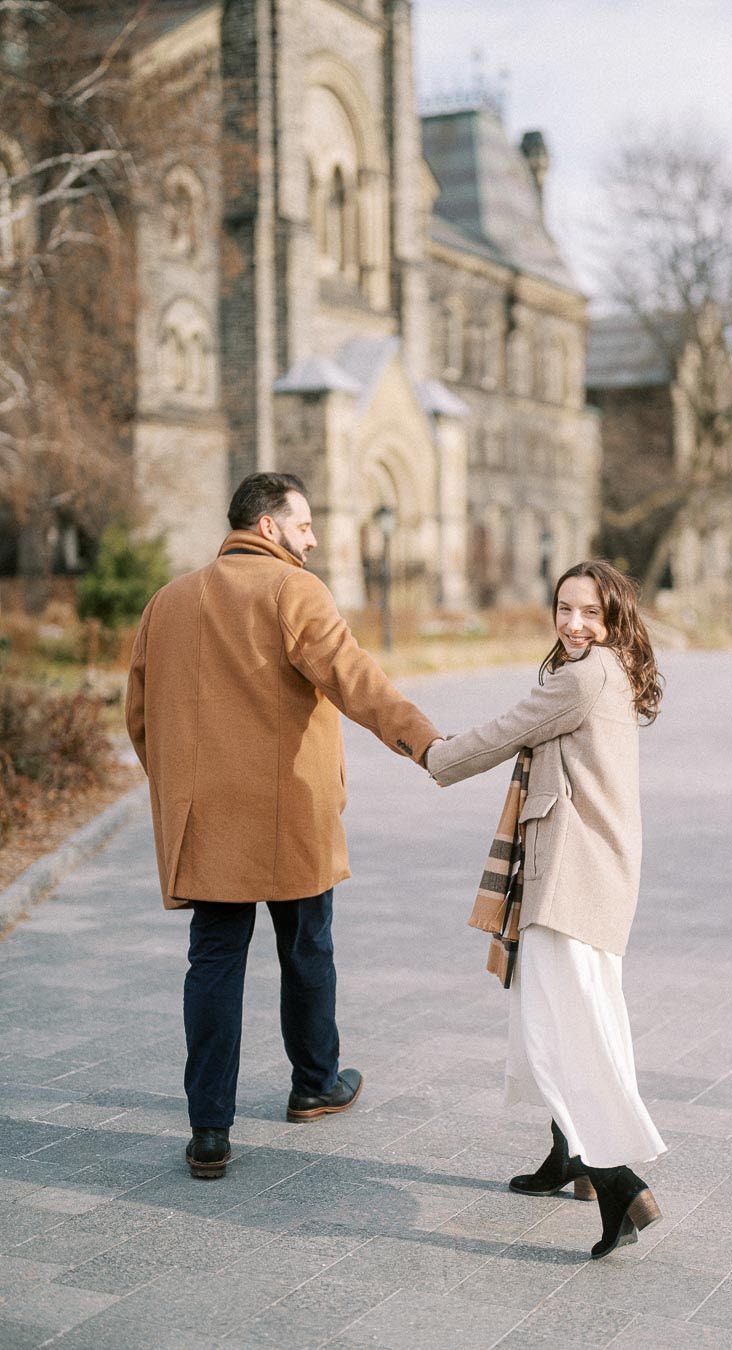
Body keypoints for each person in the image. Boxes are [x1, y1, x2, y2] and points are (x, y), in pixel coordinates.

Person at [126, 472, 441, 1179]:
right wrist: (424, 741)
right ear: (267, 526)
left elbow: (139, 718)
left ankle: (209, 1129)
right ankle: (314, 1085)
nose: (313, 539)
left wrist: (179, 790)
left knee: (212, 963)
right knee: (307, 950)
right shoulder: (294, 590)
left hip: (205, 821)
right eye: (303, 526)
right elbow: (353, 677)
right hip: (289, 813)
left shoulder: (168, 602)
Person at [426, 560, 666, 1259]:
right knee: (558, 1008)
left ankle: (618, 1182)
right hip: (585, 874)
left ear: (614, 617)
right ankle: (568, 1155)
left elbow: (504, 731)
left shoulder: (584, 675)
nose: (573, 624)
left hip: (572, 878)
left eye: (590, 612)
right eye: (564, 608)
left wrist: (433, 755)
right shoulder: (605, 668)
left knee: (561, 1030)